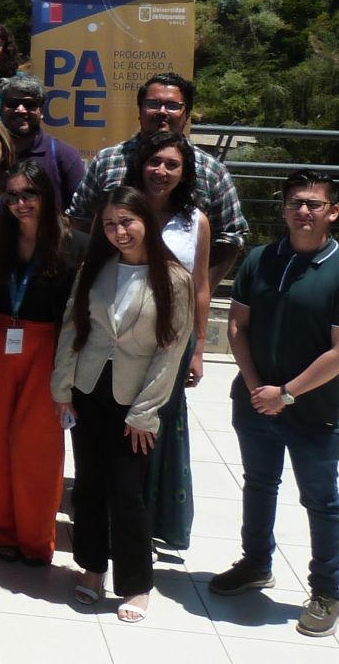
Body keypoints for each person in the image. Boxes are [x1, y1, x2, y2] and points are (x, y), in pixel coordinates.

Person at [211, 171, 339, 638]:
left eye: (315, 204)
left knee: (320, 501)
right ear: (283, 208)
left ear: (332, 213)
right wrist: (258, 385)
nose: (304, 211)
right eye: (296, 202)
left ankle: (327, 592)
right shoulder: (260, 260)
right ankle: (256, 563)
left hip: (311, 410)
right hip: (256, 400)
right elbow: (238, 326)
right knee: (259, 485)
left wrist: (287, 393)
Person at [52, 185, 192, 623]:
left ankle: (136, 584)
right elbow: (73, 327)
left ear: (147, 221)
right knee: (89, 485)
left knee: (128, 492)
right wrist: (62, 389)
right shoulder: (96, 268)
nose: (118, 231)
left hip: (135, 400)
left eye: (127, 221)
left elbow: (170, 352)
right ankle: (92, 567)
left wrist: (146, 411)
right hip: (90, 389)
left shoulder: (174, 279)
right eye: (110, 224)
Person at [0, 160, 81, 566]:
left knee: (36, 447)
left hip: (47, 349)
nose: (21, 202)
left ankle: (37, 539)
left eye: (29, 194)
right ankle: (0, 531)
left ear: (46, 196)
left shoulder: (76, 244)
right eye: (13, 195)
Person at [68, 72, 249, 283]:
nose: (162, 112)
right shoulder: (107, 161)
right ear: (140, 110)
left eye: (172, 105)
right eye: (153, 104)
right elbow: (79, 219)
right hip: (109, 289)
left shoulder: (212, 170)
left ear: (186, 114)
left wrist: (198, 288)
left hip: (177, 295)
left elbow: (230, 236)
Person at [132, 131, 213, 553]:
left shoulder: (195, 221)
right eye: (154, 162)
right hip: (121, 342)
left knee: (161, 432)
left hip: (171, 345)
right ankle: (119, 517)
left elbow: (201, 286)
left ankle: (153, 523)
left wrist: (198, 347)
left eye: (172, 165)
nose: (161, 171)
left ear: (184, 173)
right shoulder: (120, 209)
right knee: (120, 429)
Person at [0, 74, 84, 209]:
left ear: (41, 111)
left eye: (30, 104)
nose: (21, 110)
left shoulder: (64, 156)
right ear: (0, 109)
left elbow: (80, 213)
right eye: (13, 103)